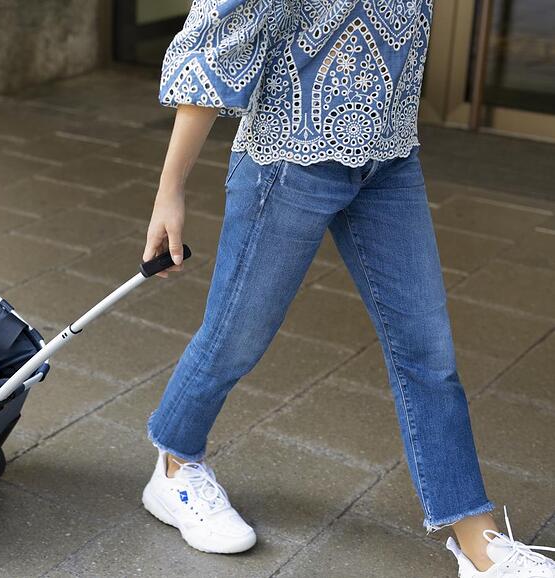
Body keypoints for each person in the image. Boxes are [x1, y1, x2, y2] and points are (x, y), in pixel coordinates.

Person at [139, 1, 555, 575]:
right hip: (288, 159)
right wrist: (171, 191)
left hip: (389, 161)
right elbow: (219, 35)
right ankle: (174, 468)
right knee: (236, 335)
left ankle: (477, 540)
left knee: (429, 354)